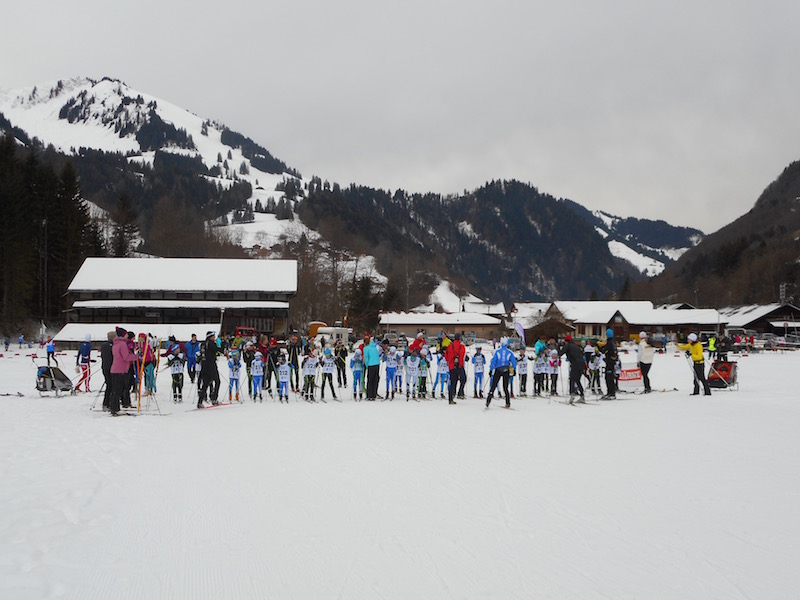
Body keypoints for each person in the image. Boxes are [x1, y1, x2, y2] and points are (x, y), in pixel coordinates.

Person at [109, 327, 138, 415]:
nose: (127, 335)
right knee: (118, 390)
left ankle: (114, 407)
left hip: (115, 369)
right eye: (126, 334)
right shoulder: (122, 344)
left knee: (115, 389)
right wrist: (136, 357)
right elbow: (126, 357)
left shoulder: (116, 343)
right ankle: (114, 408)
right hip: (120, 369)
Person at [486, 339, 516, 408]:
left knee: (493, 386)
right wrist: (514, 369)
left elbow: (494, 360)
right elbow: (513, 361)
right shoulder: (509, 352)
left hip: (498, 369)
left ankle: (488, 401)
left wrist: (491, 369)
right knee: (505, 387)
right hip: (506, 370)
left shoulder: (498, 351)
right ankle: (508, 402)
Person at [198, 331, 221, 407]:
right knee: (217, 381)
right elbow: (218, 350)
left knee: (205, 384)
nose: (214, 338)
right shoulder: (211, 344)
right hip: (211, 365)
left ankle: (200, 401)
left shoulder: (203, 344)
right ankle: (214, 398)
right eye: (213, 336)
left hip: (204, 366)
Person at [561, 334, 586, 403]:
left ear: (566, 341)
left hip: (575, 364)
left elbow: (561, 353)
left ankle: (572, 395)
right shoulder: (576, 346)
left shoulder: (567, 346)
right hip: (582, 364)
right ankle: (582, 396)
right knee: (577, 380)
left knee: (572, 379)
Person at [444, 332, 467, 404]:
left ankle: (451, 397)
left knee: (453, 382)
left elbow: (446, 357)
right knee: (463, 379)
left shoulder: (450, 346)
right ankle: (460, 392)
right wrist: (460, 365)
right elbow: (461, 356)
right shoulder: (461, 346)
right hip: (458, 366)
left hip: (451, 366)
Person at [164, 336, 186, 403]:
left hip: (180, 371)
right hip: (174, 371)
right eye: (177, 349)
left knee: (180, 383)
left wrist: (180, 359)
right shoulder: (170, 356)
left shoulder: (181, 355)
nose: (178, 350)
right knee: (174, 383)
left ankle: (180, 395)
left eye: (179, 349)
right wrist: (173, 360)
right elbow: (169, 364)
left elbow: (183, 362)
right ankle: (175, 395)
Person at [598, 328, 618, 399]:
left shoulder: (609, 342)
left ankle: (611, 393)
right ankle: (610, 392)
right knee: (610, 377)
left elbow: (604, 350)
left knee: (608, 377)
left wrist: (598, 347)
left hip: (610, 362)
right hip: (612, 361)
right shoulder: (614, 341)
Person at [100, 331, 115, 409]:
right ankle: (107, 403)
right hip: (111, 367)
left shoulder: (103, 345)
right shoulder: (112, 346)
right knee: (111, 386)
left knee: (109, 385)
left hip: (104, 367)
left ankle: (107, 403)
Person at [363, 336, 381, 401]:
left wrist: (367, 365)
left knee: (370, 380)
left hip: (371, 365)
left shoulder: (366, 348)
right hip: (377, 364)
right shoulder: (374, 347)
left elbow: (366, 358)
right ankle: (374, 394)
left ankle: (369, 395)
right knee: (375, 380)